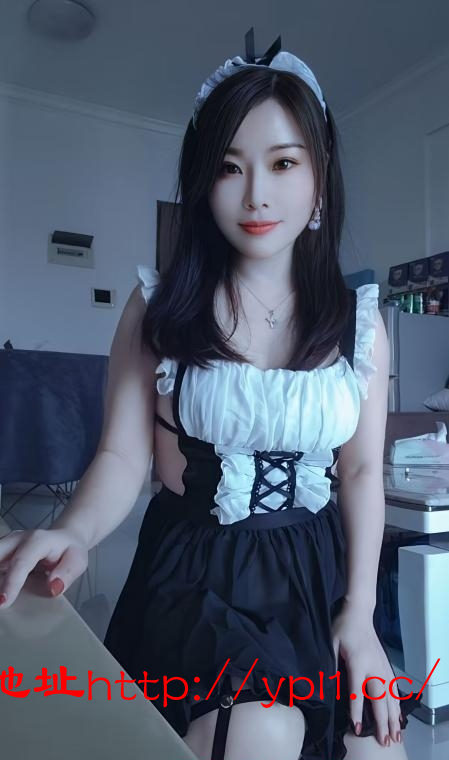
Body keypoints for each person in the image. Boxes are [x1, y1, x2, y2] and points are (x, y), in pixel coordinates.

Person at [0, 32, 417, 760]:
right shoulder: (159, 304)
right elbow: (122, 457)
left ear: (319, 178)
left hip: (317, 573)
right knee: (259, 732)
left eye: (282, 163)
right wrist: (73, 531)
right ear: (202, 182)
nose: (256, 193)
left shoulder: (360, 324)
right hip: (198, 573)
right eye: (229, 167)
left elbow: (357, 473)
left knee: (379, 751)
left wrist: (359, 612)